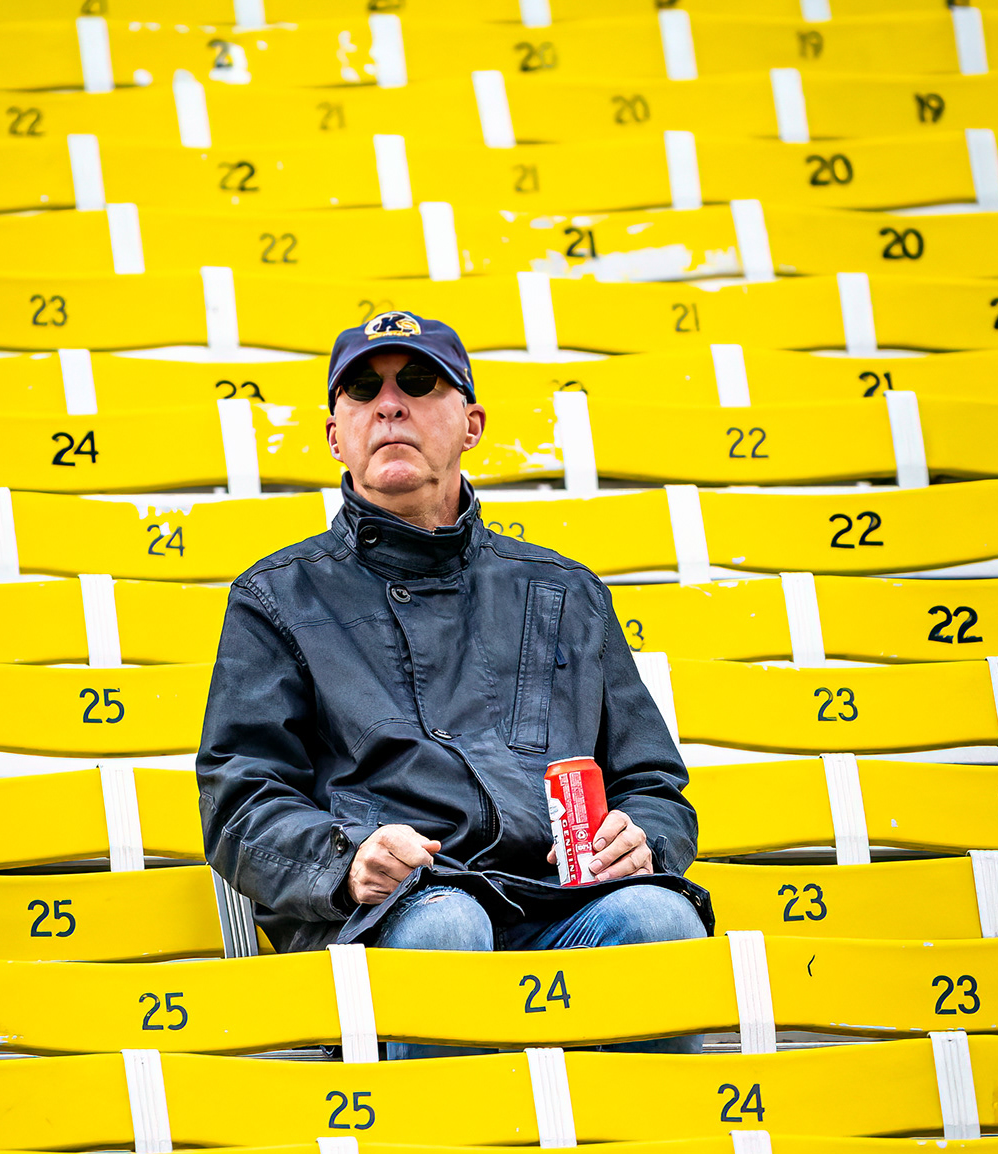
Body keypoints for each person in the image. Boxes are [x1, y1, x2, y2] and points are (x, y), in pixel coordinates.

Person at [196, 310, 711, 1058]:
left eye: (418, 382)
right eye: (362, 390)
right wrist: (347, 861)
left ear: (471, 424)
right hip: (384, 920)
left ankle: (642, 1138)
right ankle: (436, 1140)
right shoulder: (276, 597)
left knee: (659, 918)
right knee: (448, 925)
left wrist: (645, 839)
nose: (389, 404)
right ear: (337, 437)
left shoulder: (566, 591)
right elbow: (240, 800)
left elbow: (653, 783)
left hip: (558, 905)